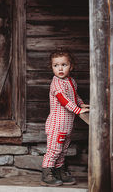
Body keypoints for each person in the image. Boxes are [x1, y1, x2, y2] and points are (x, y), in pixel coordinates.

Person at [41, 49, 90, 186]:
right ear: (52, 67)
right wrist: (78, 110)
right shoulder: (56, 84)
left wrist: (81, 104)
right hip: (57, 125)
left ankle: (59, 171)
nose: (60, 68)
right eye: (56, 65)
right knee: (54, 150)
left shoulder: (71, 81)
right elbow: (64, 100)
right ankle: (47, 174)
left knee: (63, 150)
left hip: (67, 125)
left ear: (71, 66)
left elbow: (74, 97)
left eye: (64, 64)